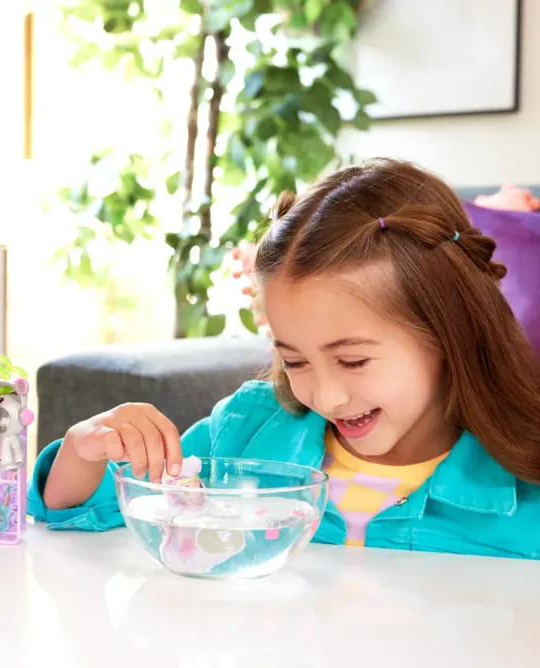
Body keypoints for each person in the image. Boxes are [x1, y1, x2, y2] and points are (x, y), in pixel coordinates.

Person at [28, 158, 540, 559]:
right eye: (295, 361)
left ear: (449, 332)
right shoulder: (245, 430)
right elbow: (78, 515)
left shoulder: (523, 483)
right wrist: (84, 449)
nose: (327, 397)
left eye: (353, 361)